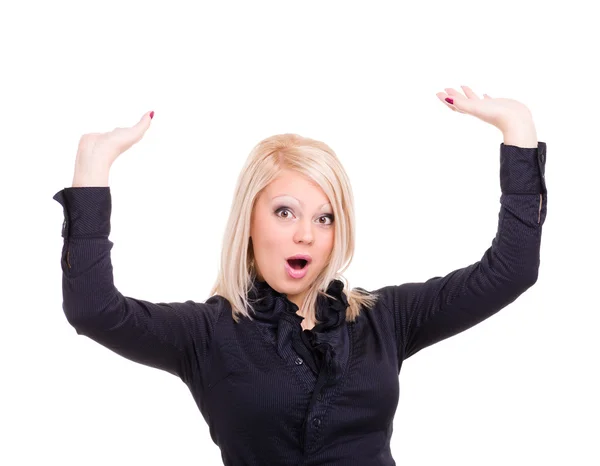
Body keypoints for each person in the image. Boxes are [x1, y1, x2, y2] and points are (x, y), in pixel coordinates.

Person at [53, 85, 547, 465]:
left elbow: (511, 270)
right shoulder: (205, 335)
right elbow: (93, 309)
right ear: (250, 220)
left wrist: (517, 129)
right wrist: (92, 170)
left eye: (324, 217)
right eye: (286, 213)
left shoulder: (385, 320)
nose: (306, 235)